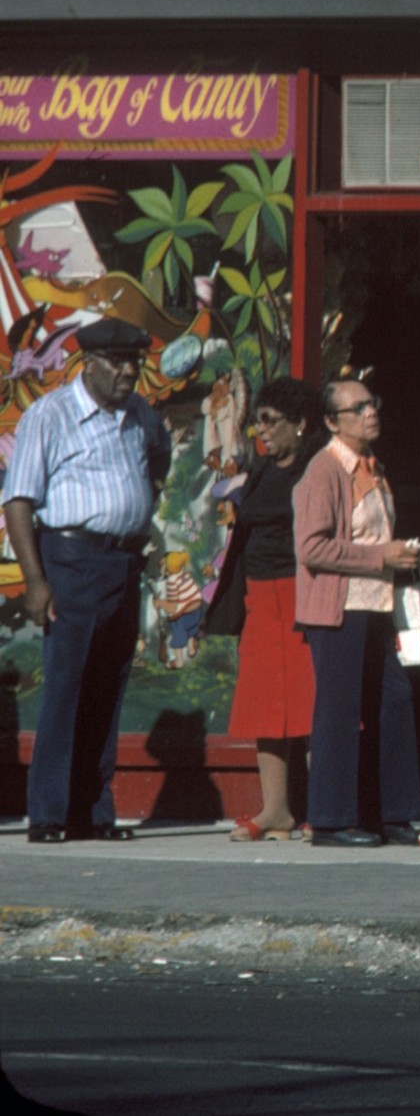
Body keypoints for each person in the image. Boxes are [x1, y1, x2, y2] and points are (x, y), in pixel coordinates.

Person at [2, 319, 171, 843]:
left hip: (122, 561)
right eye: (118, 363)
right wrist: (36, 581)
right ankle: (49, 814)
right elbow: (18, 500)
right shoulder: (50, 415)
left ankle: (92, 812)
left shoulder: (140, 414)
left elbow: (159, 459)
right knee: (67, 687)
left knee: (106, 688)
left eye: (134, 362)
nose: (129, 372)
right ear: (88, 363)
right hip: (71, 559)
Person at [295, 377, 420, 849]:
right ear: (332, 422)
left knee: (393, 701)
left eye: (371, 403)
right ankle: (331, 819)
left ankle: (391, 813)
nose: (370, 412)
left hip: (377, 605)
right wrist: (382, 556)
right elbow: (312, 547)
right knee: (339, 710)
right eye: (356, 408)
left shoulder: (372, 466)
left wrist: (398, 556)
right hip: (340, 608)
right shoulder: (324, 470)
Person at [204, 377, 327, 842]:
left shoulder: (318, 468)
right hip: (260, 596)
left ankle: (323, 808)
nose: (263, 430)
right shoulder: (260, 470)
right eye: (258, 421)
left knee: (311, 704)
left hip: (302, 594)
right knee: (266, 705)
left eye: (272, 421)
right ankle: (276, 810)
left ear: (300, 423)